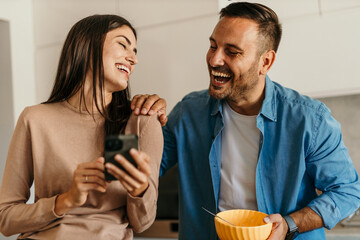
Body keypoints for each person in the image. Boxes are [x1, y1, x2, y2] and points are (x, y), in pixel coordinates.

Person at [132, 2, 360, 240]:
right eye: (213, 46)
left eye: (232, 52)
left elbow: (347, 192)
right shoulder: (188, 114)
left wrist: (290, 224)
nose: (214, 59)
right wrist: (142, 119)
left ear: (266, 62)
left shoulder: (310, 120)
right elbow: (142, 169)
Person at [0, 14, 165, 240]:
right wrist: (66, 200)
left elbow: (142, 223)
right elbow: (6, 219)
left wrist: (140, 191)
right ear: (88, 47)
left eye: (135, 51)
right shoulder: (35, 119)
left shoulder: (141, 121)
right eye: (123, 45)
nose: (133, 59)